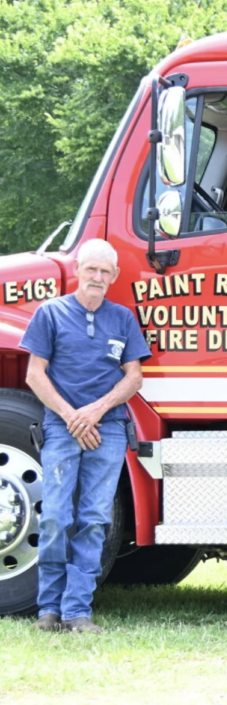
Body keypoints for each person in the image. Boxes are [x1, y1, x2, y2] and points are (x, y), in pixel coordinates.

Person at [20, 238, 150, 634]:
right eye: (91, 269)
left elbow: (134, 375)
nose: (97, 277)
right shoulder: (51, 314)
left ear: (114, 277)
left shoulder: (123, 318)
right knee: (57, 516)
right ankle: (49, 609)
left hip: (108, 429)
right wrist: (72, 415)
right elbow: (34, 374)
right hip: (62, 428)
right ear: (78, 269)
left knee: (94, 519)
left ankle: (77, 611)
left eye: (105, 272)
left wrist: (95, 412)